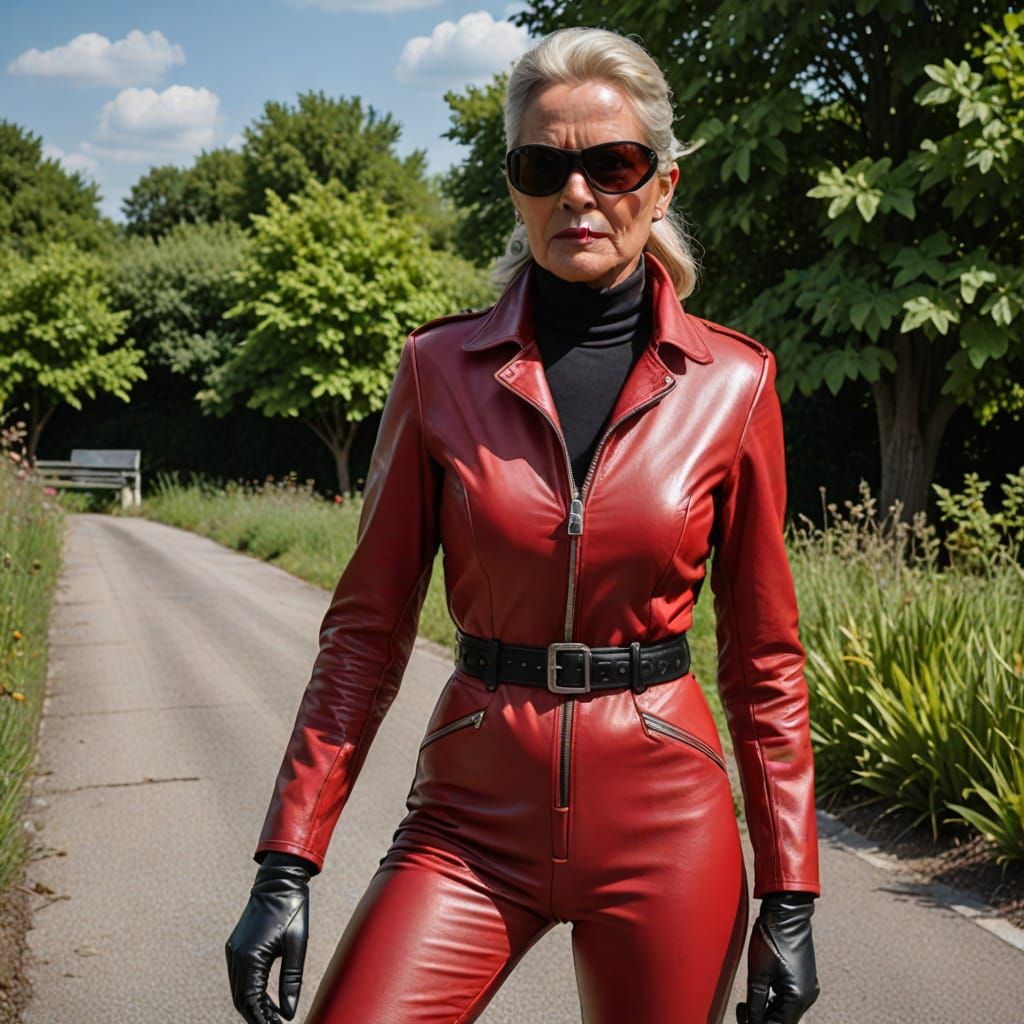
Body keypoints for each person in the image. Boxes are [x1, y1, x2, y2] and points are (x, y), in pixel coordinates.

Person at [226, 26, 821, 1024]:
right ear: (514, 188)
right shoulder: (438, 372)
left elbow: (764, 657)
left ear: (662, 185)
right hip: (469, 822)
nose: (577, 194)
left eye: (613, 164)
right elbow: (365, 632)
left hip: (667, 829)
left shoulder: (735, 383)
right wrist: (287, 859)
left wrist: (791, 890)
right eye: (543, 167)